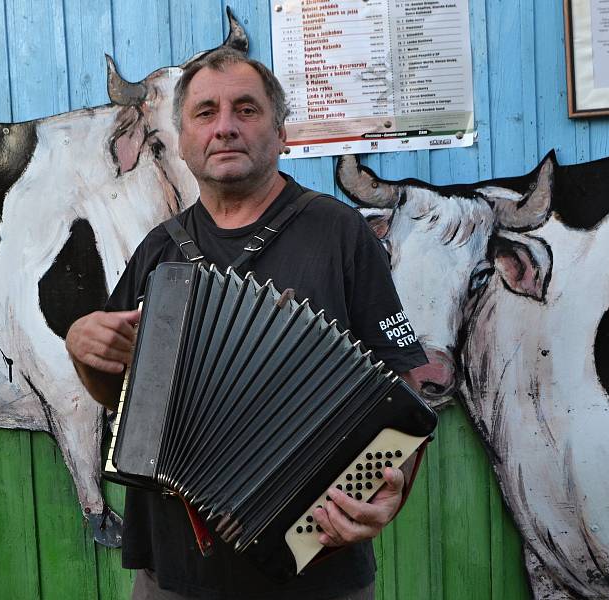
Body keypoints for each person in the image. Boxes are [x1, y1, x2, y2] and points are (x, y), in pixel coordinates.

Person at [65, 47, 427, 600]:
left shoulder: (340, 234)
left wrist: (388, 494)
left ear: (281, 133)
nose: (225, 127)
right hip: (175, 573)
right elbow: (119, 394)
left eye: (247, 110)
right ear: (183, 141)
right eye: (205, 113)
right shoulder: (159, 252)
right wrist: (84, 352)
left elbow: (405, 388)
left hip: (316, 564)